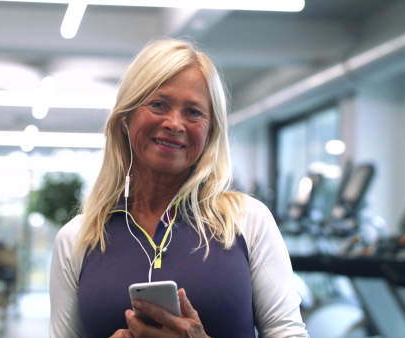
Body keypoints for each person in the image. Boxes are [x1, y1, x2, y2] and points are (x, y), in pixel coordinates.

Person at [50, 37, 308, 338]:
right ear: (125, 118)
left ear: (210, 131)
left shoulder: (248, 221)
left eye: (194, 112)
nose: (175, 123)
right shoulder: (77, 239)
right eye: (158, 104)